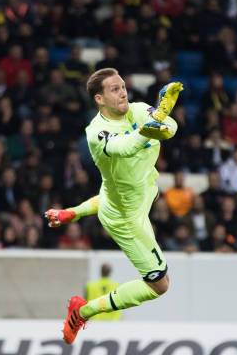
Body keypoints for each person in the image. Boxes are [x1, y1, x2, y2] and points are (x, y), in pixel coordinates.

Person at [43, 68, 183, 344]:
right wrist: (157, 121)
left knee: (119, 191)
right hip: (126, 221)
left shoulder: (139, 110)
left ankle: (74, 212)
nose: (123, 93)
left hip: (131, 196)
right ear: (99, 98)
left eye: (123, 86)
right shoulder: (97, 133)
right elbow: (127, 147)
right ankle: (82, 311)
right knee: (160, 285)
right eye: (115, 89)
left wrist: (72, 212)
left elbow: (172, 128)